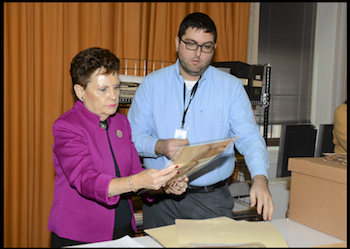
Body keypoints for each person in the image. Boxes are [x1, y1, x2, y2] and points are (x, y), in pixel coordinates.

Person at [127, 12, 275, 229]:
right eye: (191, 44)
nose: (198, 53)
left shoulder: (230, 87)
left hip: (210, 201)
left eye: (206, 47)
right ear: (177, 43)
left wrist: (260, 179)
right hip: (161, 198)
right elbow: (133, 136)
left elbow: (250, 138)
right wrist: (160, 146)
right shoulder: (152, 84)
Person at [47, 47, 188, 247]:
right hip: (80, 235)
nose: (114, 96)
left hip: (122, 232)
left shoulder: (122, 123)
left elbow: (135, 173)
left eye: (116, 87)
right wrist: (136, 181)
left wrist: (165, 184)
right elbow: (86, 180)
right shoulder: (67, 126)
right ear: (80, 92)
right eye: (103, 90)